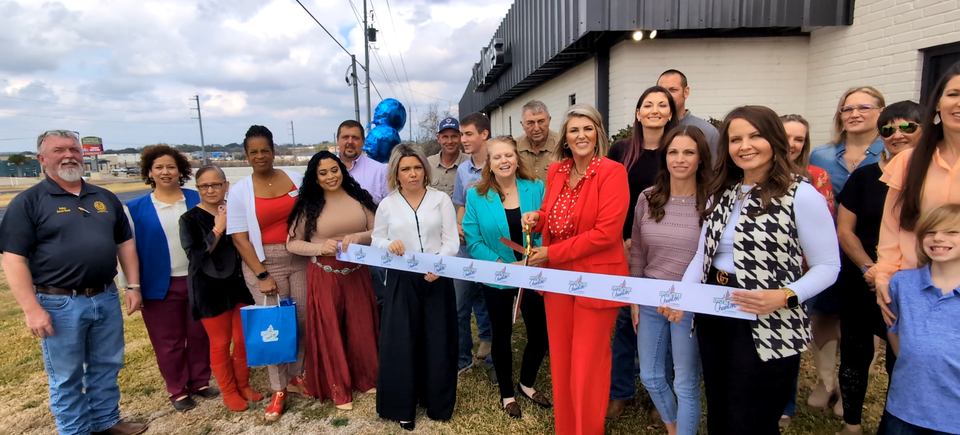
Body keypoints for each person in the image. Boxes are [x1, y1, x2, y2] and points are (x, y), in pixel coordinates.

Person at [680, 105, 840, 434]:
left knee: (751, 418)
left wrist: (785, 296)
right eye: (735, 139)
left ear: (774, 140)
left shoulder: (801, 195)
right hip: (715, 313)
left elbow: (828, 266)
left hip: (769, 321)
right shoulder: (721, 193)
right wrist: (683, 295)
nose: (745, 146)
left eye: (755, 136)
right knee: (721, 410)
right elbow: (701, 255)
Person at [0, 130, 146, 435]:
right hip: (58, 303)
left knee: (107, 365)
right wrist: (31, 309)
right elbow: (13, 260)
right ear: (42, 159)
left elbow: (125, 244)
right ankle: (74, 430)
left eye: (73, 149)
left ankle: (106, 421)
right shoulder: (28, 202)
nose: (68, 155)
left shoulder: (104, 198)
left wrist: (132, 286)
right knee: (66, 376)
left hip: (105, 296)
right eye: (58, 150)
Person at [521, 104, 631, 435]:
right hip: (557, 278)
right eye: (574, 130)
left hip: (596, 278)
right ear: (565, 138)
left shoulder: (612, 172)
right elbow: (549, 212)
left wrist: (551, 253)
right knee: (563, 362)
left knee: (587, 365)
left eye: (587, 128)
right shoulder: (556, 171)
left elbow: (606, 233)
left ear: (598, 133)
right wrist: (537, 218)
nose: (581, 135)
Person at [867, 61, 960, 380]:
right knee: (910, 376)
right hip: (914, 285)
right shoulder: (908, 161)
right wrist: (885, 277)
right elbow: (892, 228)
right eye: (953, 94)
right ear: (938, 103)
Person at [835, 101, 922, 435]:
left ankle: (897, 421)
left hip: (915, 282)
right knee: (855, 352)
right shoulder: (864, 177)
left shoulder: (935, 177)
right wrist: (869, 268)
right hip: (863, 277)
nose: (897, 135)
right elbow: (845, 230)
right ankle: (852, 425)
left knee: (904, 358)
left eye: (907, 127)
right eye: (888, 129)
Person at [628, 125, 713, 435]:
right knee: (650, 375)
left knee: (685, 382)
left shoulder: (712, 202)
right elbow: (638, 250)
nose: (680, 159)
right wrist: (635, 297)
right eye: (673, 152)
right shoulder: (648, 198)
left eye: (689, 152)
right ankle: (674, 428)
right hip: (650, 297)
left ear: (701, 158)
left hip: (689, 303)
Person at [462, 136, 551, 419]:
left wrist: (536, 255)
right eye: (497, 157)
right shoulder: (476, 195)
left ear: (517, 158)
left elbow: (546, 226)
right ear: (489, 163)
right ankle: (507, 394)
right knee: (501, 335)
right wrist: (501, 264)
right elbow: (474, 240)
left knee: (540, 334)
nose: (504, 161)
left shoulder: (535, 187)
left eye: (509, 155)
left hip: (532, 272)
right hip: (497, 276)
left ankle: (526, 383)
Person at [373, 144, 460, 431]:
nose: (412, 174)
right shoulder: (387, 205)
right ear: (396, 174)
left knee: (438, 339)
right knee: (403, 341)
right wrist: (389, 244)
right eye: (406, 169)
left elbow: (451, 241)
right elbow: (376, 239)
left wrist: (439, 264)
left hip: (437, 276)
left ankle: (437, 404)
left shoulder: (440, 200)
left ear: (425, 170)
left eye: (417, 168)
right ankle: (403, 406)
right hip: (402, 278)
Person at [286, 151, 380, 411]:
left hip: (357, 272)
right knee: (331, 329)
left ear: (342, 170)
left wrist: (360, 237)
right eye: (323, 172)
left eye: (334, 170)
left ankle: (365, 378)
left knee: (361, 326)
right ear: (315, 178)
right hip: (325, 274)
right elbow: (292, 243)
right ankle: (337, 387)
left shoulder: (359, 198)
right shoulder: (309, 206)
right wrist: (319, 248)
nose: (330, 176)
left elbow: (379, 231)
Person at [606, 86, 679, 418]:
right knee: (625, 320)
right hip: (624, 245)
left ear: (671, 113)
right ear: (638, 113)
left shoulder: (678, 149)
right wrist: (621, 238)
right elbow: (609, 197)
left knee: (664, 318)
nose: (655, 110)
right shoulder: (621, 150)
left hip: (666, 249)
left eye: (662, 105)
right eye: (648, 104)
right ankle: (620, 391)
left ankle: (659, 393)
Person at [124, 145, 214, 411]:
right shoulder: (134, 209)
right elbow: (127, 250)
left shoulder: (197, 198)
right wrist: (131, 286)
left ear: (180, 170)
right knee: (168, 341)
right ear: (150, 172)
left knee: (200, 335)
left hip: (199, 280)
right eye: (159, 167)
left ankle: (200, 381)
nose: (166, 172)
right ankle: (178, 390)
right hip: (159, 285)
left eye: (171, 167)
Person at [226, 125, 306, 421]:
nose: (260, 156)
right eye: (253, 152)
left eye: (265, 150)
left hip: (299, 258)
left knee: (301, 320)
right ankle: (279, 389)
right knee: (274, 327)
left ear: (273, 151)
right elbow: (239, 239)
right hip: (264, 264)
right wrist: (262, 275)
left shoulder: (296, 179)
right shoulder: (240, 191)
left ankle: (297, 376)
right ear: (247, 156)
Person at [178, 165, 260, 412]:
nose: (210, 190)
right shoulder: (189, 219)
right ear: (198, 189)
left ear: (226, 185)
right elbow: (196, 256)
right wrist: (217, 229)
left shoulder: (237, 210)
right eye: (204, 186)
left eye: (215, 184)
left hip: (239, 282)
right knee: (221, 342)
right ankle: (229, 391)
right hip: (209, 286)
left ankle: (243, 384)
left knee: (243, 338)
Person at [780, 113, 839, 425]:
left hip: (801, 273)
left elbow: (823, 227)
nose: (791, 144)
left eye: (799, 139)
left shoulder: (816, 177)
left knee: (790, 339)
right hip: (759, 273)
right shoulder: (748, 176)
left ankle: (785, 404)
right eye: (785, 136)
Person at [881, 203, 960, 435]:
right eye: (930, 231)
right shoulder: (901, 284)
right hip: (904, 409)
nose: (939, 238)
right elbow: (894, 330)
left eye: (952, 232)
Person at [452, 112, 495, 376]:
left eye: (468, 134)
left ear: (484, 134)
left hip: (491, 248)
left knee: (491, 302)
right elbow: (461, 203)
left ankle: (492, 357)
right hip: (465, 249)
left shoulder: (499, 163)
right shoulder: (462, 170)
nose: (463, 139)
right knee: (459, 305)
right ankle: (463, 358)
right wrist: (458, 225)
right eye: (462, 134)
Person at [810, 86, 887, 195]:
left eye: (864, 108)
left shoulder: (891, 154)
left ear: (881, 112)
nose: (854, 115)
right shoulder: (820, 155)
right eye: (847, 109)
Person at [657, 69, 721, 165]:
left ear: (686, 92)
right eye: (662, 91)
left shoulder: (707, 131)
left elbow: (715, 169)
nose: (667, 96)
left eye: (673, 90)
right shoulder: (650, 130)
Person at [338, 119, 389, 205]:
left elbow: (391, 208)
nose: (350, 142)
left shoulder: (381, 172)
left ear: (363, 141)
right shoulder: (324, 170)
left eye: (355, 138)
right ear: (338, 140)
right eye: (345, 137)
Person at [516, 100, 560, 182]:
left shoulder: (563, 145)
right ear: (522, 124)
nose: (536, 128)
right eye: (530, 123)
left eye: (541, 121)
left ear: (549, 120)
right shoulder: (514, 148)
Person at [427, 117, 469, 197]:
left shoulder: (470, 163)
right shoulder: (428, 164)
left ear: (460, 137)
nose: (450, 141)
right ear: (438, 138)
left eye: (454, 136)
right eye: (445, 137)